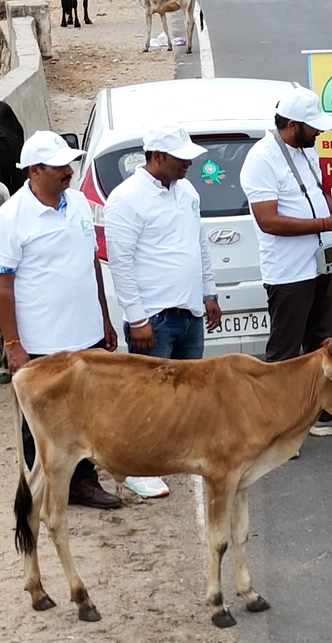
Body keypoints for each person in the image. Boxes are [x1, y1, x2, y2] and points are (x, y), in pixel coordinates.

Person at [0, 131, 122, 510]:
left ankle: (82, 483)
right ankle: (42, 488)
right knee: (41, 420)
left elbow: (91, 262)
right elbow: (2, 289)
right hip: (43, 341)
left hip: (88, 333)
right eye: (60, 166)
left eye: (70, 164)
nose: (68, 171)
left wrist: (104, 319)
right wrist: (13, 345)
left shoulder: (77, 203)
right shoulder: (10, 219)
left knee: (88, 414)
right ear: (34, 170)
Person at [240, 88, 332, 436]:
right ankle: (275, 428)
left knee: (323, 344)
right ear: (294, 125)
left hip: (320, 266)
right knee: (285, 354)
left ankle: (320, 415)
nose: (320, 132)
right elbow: (268, 220)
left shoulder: (305, 150)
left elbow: (317, 195)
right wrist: (329, 224)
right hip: (289, 273)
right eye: (314, 127)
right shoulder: (262, 158)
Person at [103, 124, 224, 498]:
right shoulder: (126, 199)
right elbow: (120, 263)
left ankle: (177, 456)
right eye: (181, 157)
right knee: (147, 399)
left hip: (189, 311)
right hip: (153, 317)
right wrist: (137, 318)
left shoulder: (186, 189)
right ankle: (136, 467)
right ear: (157, 157)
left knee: (188, 394)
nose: (188, 163)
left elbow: (198, 243)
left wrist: (209, 293)